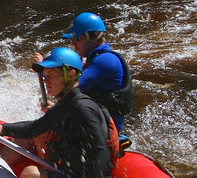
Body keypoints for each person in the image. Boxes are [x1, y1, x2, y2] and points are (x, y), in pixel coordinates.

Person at [0, 47, 112, 178]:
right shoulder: (65, 104)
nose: (46, 81)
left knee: (30, 175)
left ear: (71, 74)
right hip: (70, 177)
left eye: (51, 75)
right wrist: (2, 128)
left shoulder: (82, 108)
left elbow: (100, 151)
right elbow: (34, 128)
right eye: (45, 76)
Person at [41, 11, 133, 142]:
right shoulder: (94, 59)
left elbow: (67, 87)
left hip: (101, 133)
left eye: (78, 39)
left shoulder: (105, 60)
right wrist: (42, 67)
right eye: (72, 40)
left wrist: (56, 109)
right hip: (91, 125)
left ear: (93, 36)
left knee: (36, 135)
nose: (73, 44)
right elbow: (63, 80)